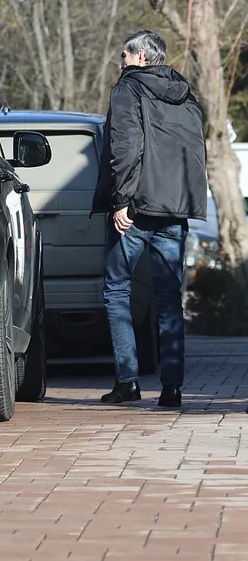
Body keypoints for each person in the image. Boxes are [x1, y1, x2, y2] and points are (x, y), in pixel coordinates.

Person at [92, 30, 207, 408]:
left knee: (116, 291)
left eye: (124, 55)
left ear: (140, 57)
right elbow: (194, 152)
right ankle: (172, 387)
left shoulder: (128, 88)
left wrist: (122, 200)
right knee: (169, 298)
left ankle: (127, 381)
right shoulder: (185, 94)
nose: (120, 62)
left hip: (136, 210)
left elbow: (125, 146)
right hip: (173, 210)